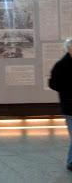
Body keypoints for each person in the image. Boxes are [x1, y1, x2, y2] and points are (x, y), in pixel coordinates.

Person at [49, 38, 72, 171]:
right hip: (70, 107)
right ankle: (70, 161)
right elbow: (53, 84)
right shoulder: (61, 65)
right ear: (69, 49)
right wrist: (67, 89)